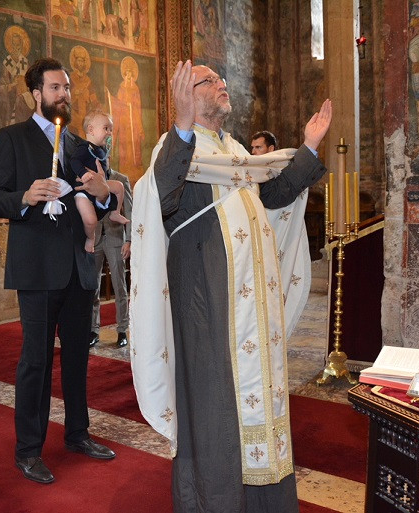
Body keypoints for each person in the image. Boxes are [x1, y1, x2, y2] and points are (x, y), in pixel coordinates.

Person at [130, 61, 332, 513]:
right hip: (208, 300)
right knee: (215, 400)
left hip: (252, 307)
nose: (222, 85)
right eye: (209, 81)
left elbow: (273, 194)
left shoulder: (235, 149)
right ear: (187, 93)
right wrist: (182, 124)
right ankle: (215, 501)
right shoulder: (176, 145)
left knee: (255, 401)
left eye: (222, 80)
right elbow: (162, 195)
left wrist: (310, 146)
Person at [0, 57, 118, 485]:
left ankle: (78, 434)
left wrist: (103, 195)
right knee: (36, 362)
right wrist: (25, 197)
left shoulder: (79, 144)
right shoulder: (12, 138)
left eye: (67, 87)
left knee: (78, 358)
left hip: (79, 266)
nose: (64, 94)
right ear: (36, 93)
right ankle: (28, 451)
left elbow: (100, 202)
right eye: (56, 87)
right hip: (38, 268)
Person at [80, 113, 133, 349]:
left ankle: (122, 330)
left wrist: (129, 240)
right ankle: (94, 330)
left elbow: (129, 211)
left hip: (115, 238)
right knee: (93, 287)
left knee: (120, 287)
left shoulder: (121, 179)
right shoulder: (90, 180)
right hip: (95, 240)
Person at [69, 111, 129, 253]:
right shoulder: (84, 148)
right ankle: (90, 238)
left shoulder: (101, 150)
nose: (109, 133)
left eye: (111, 130)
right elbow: (74, 161)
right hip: (83, 189)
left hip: (101, 184)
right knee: (91, 220)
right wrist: (83, 173)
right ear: (91, 130)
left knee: (119, 186)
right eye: (106, 128)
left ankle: (115, 212)